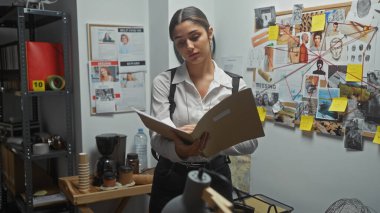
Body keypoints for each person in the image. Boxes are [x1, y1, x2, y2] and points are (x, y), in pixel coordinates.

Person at [149, 6, 258, 213]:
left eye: (195, 36)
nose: (189, 46)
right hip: (171, 174)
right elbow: (156, 138)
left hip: (215, 175)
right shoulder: (164, 82)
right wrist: (179, 150)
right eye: (180, 42)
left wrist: (209, 143)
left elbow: (250, 142)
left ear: (209, 32)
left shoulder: (235, 85)